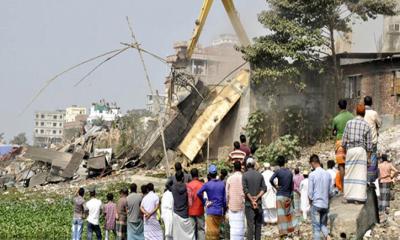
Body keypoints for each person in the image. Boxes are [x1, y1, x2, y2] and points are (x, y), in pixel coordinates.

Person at [342, 104, 373, 203]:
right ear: (364, 113)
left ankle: (348, 196)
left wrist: (345, 151)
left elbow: (343, 141)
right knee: (360, 174)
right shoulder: (366, 125)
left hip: (350, 150)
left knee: (349, 173)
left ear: (356, 112)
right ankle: (359, 198)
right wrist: (368, 159)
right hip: (361, 151)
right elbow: (369, 145)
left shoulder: (349, 123)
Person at [270, 156, 298, 237]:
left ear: (278, 163)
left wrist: (275, 186)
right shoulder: (289, 172)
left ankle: (283, 232)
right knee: (289, 213)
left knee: (281, 215)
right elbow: (291, 186)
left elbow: (271, 180)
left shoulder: (278, 171)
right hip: (287, 196)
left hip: (279, 195)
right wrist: (291, 197)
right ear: (284, 162)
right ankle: (292, 229)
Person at [197, 164, 226, 240]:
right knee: (217, 232)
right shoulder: (222, 184)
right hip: (219, 211)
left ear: (209, 174)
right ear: (216, 174)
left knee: (210, 233)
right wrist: (224, 212)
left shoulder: (207, 184)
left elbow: (198, 193)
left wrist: (205, 201)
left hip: (210, 210)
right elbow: (224, 200)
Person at [308, 154, 333, 240]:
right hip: (325, 204)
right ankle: (328, 236)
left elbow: (310, 193)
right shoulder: (328, 174)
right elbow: (330, 191)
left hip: (316, 204)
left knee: (316, 228)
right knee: (322, 224)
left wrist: (310, 203)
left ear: (313, 163)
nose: (311, 166)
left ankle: (325, 236)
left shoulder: (312, 175)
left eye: (311, 164)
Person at [332, 99, 354, 192]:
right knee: (351, 165)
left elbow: (333, 132)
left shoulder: (336, 119)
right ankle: (351, 188)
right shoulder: (352, 116)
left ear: (339, 107)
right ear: (346, 105)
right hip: (350, 142)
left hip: (340, 143)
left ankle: (343, 189)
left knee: (341, 166)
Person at [243, 157, 267, 240]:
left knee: (250, 227)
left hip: (249, 205)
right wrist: (257, 197)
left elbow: (245, 190)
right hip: (259, 204)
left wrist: (252, 200)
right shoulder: (260, 175)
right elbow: (264, 188)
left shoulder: (244, 175)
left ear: (246, 165)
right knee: (258, 226)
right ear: (254, 165)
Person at [171, 170, 195, 240]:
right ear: (182, 178)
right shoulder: (187, 187)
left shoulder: (173, 188)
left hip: (176, 213)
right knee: (189, 234)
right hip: (185, 212)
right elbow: (190, 201)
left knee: (178, 235)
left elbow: (167, 184)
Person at [364, 96, 382, 182]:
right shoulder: (374, 113)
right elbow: (379, 123)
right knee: (373, 158)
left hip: (363, 141)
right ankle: (371, 181)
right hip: (372, 141)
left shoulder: (361, 112)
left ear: (364, 103)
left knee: (364, 159)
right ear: (371, 103)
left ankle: (364, 178)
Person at [226, 161, 245, 239]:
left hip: (232, 205)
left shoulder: (230, 178)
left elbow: (226, 193)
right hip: (241, 204)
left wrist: (227, 203)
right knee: (240, 224)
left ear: (233, 168)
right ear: (241, 168)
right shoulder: (243, 178)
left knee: (233, 226)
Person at [186, 168, 205, 240]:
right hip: (200, 210)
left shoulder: (188, 185)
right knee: (201, 229)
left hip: (191, 210)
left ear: (191, 175)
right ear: (198, 175)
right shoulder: (201, 184)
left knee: (192, 230)